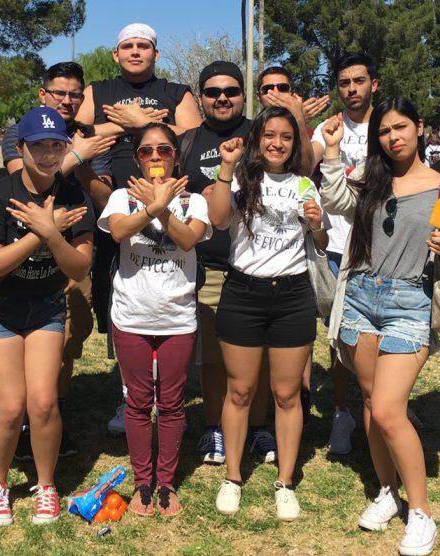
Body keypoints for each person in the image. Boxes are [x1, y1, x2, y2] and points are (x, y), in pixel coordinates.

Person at [319, 97, 440, 556]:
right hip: (361, 296)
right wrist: (330, 154)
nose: (393, 137)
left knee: (388, 409)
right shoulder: (370, 178)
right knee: (370, 402)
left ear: (420, 128)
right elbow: (335, 201)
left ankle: (421, 512)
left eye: (401, 127)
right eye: (384, 131)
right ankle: (386, 490)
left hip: (410, 302)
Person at [0, 106, 95, 526]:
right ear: (20, 148)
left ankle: (45, 485)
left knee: (42, 403)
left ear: (65, 148)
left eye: (56, 145)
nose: (47, 154)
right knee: (10, 406)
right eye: (38, 145)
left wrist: (53, 233)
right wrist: (41, 231)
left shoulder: (74, 195)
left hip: (44, 306)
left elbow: (78, 268)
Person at [76, 23, 202, 435]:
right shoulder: (99, 89)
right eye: (127, 46)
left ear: (155, 54)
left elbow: (194, 135)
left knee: (165, 295)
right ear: (115, 54)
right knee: (118, 298)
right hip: (116, 203)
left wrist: (146, 124)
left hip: (173, 202)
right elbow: (77, 133)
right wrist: (132, 124)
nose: (134, 52)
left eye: (143, 46)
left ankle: (168, 396)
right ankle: (130, 393)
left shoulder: (175, 90)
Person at [208, 107, 328, 521]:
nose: (277, 143)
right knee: (239, 391)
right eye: (270, 135)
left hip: (293, 295)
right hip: (243, 292)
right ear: (257, 137)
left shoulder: (304, 183)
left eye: (287, 137)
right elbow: (219, 220)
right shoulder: (241, 178)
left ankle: (285, 481)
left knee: (287, 393)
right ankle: (233, 476)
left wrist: (316, 224)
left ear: (295, 144)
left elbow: (321, 236)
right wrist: (226, 169)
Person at [1, 62, 114, 459]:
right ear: (42, 94)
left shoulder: (86, 136)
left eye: (74, 94)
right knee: (24, 342)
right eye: (58, 92)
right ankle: (26, 423)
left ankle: (52, 415)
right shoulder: (22, 130)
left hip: (74, 253)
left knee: (68, 340)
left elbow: (103, 199)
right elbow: (24, 188)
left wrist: (81, 160)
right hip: (23, 257)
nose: (66, 100)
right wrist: (72, 156)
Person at [99, 123, 210, 516]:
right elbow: (118, 232)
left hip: (177, 317)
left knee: (173, 403)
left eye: (164, 150)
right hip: (131, 316)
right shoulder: (120, 197)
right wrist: (151, 207)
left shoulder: (194, 201)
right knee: (138, 402)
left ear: (176, 157)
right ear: (137, 159)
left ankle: (166, 482)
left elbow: (187, 239)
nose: (156, 158)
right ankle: (142, 481)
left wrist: (163, 206)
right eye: (147, 152)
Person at [178, 61, 277, 466]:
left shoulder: (263, 134)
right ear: (200, 97)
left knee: (264, 355)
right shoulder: (184, 141)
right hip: (208, 266)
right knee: (214, 357)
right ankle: (215, 427)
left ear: (243, 95)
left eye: (231, 91)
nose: (222, 98)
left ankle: (258, 427)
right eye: (213, 92)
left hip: (259, 264)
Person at [309, 52, 378, 453]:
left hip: (381, 244)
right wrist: (304, 125)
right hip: (337, 244)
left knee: (387, 329)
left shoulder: (389, 124)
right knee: (338, 336)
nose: (351, 89)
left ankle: (386, 405)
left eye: (359, 81)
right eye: (344, 83)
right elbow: (305, 161)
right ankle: (341, 412)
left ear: (374, 84)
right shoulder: (328, 127)